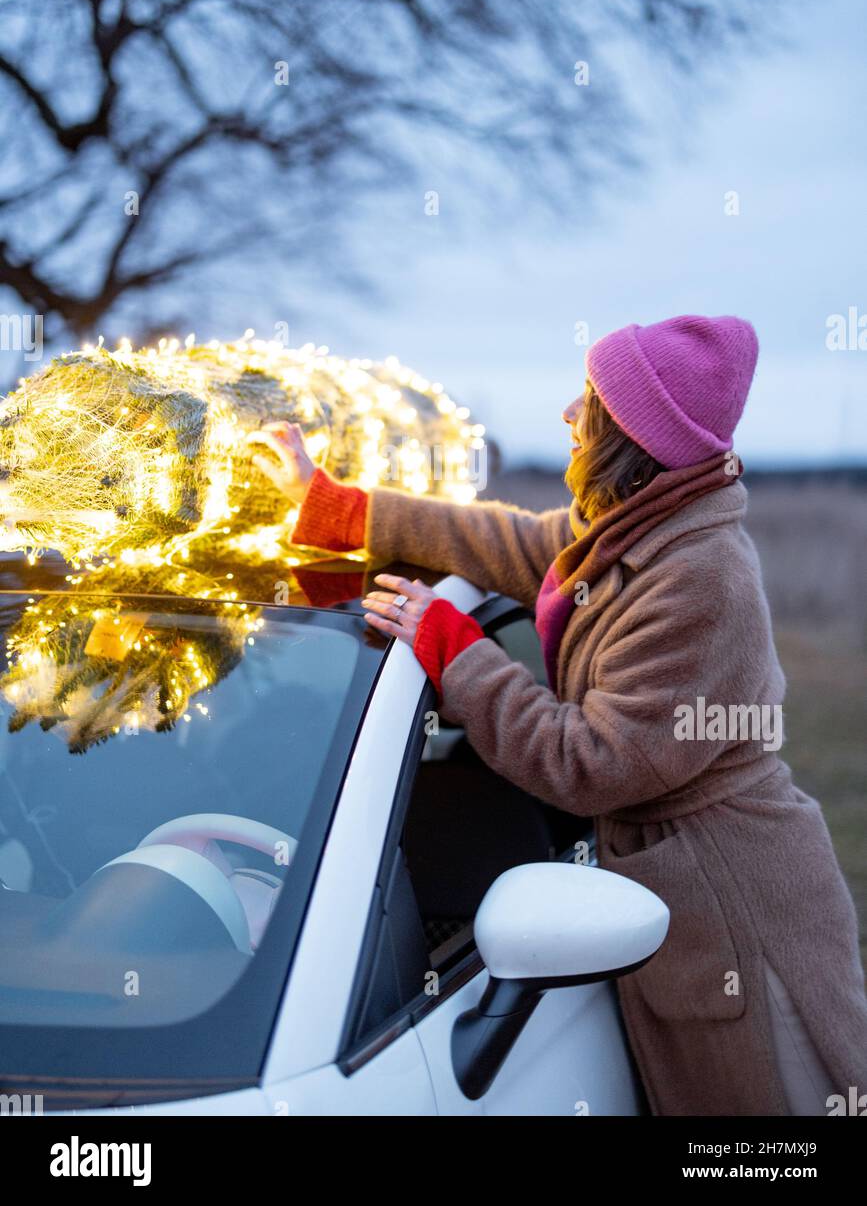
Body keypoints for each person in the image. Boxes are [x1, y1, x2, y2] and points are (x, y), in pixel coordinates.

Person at [249, 314, 867, 1117]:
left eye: (591, 401)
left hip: (737, 908)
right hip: (691, 878)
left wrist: (458, 653)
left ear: (633, 435)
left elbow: (592, 764)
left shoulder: (699, 578)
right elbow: (516, 540)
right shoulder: (642, 523)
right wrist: (342, 511)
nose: (569, 416)